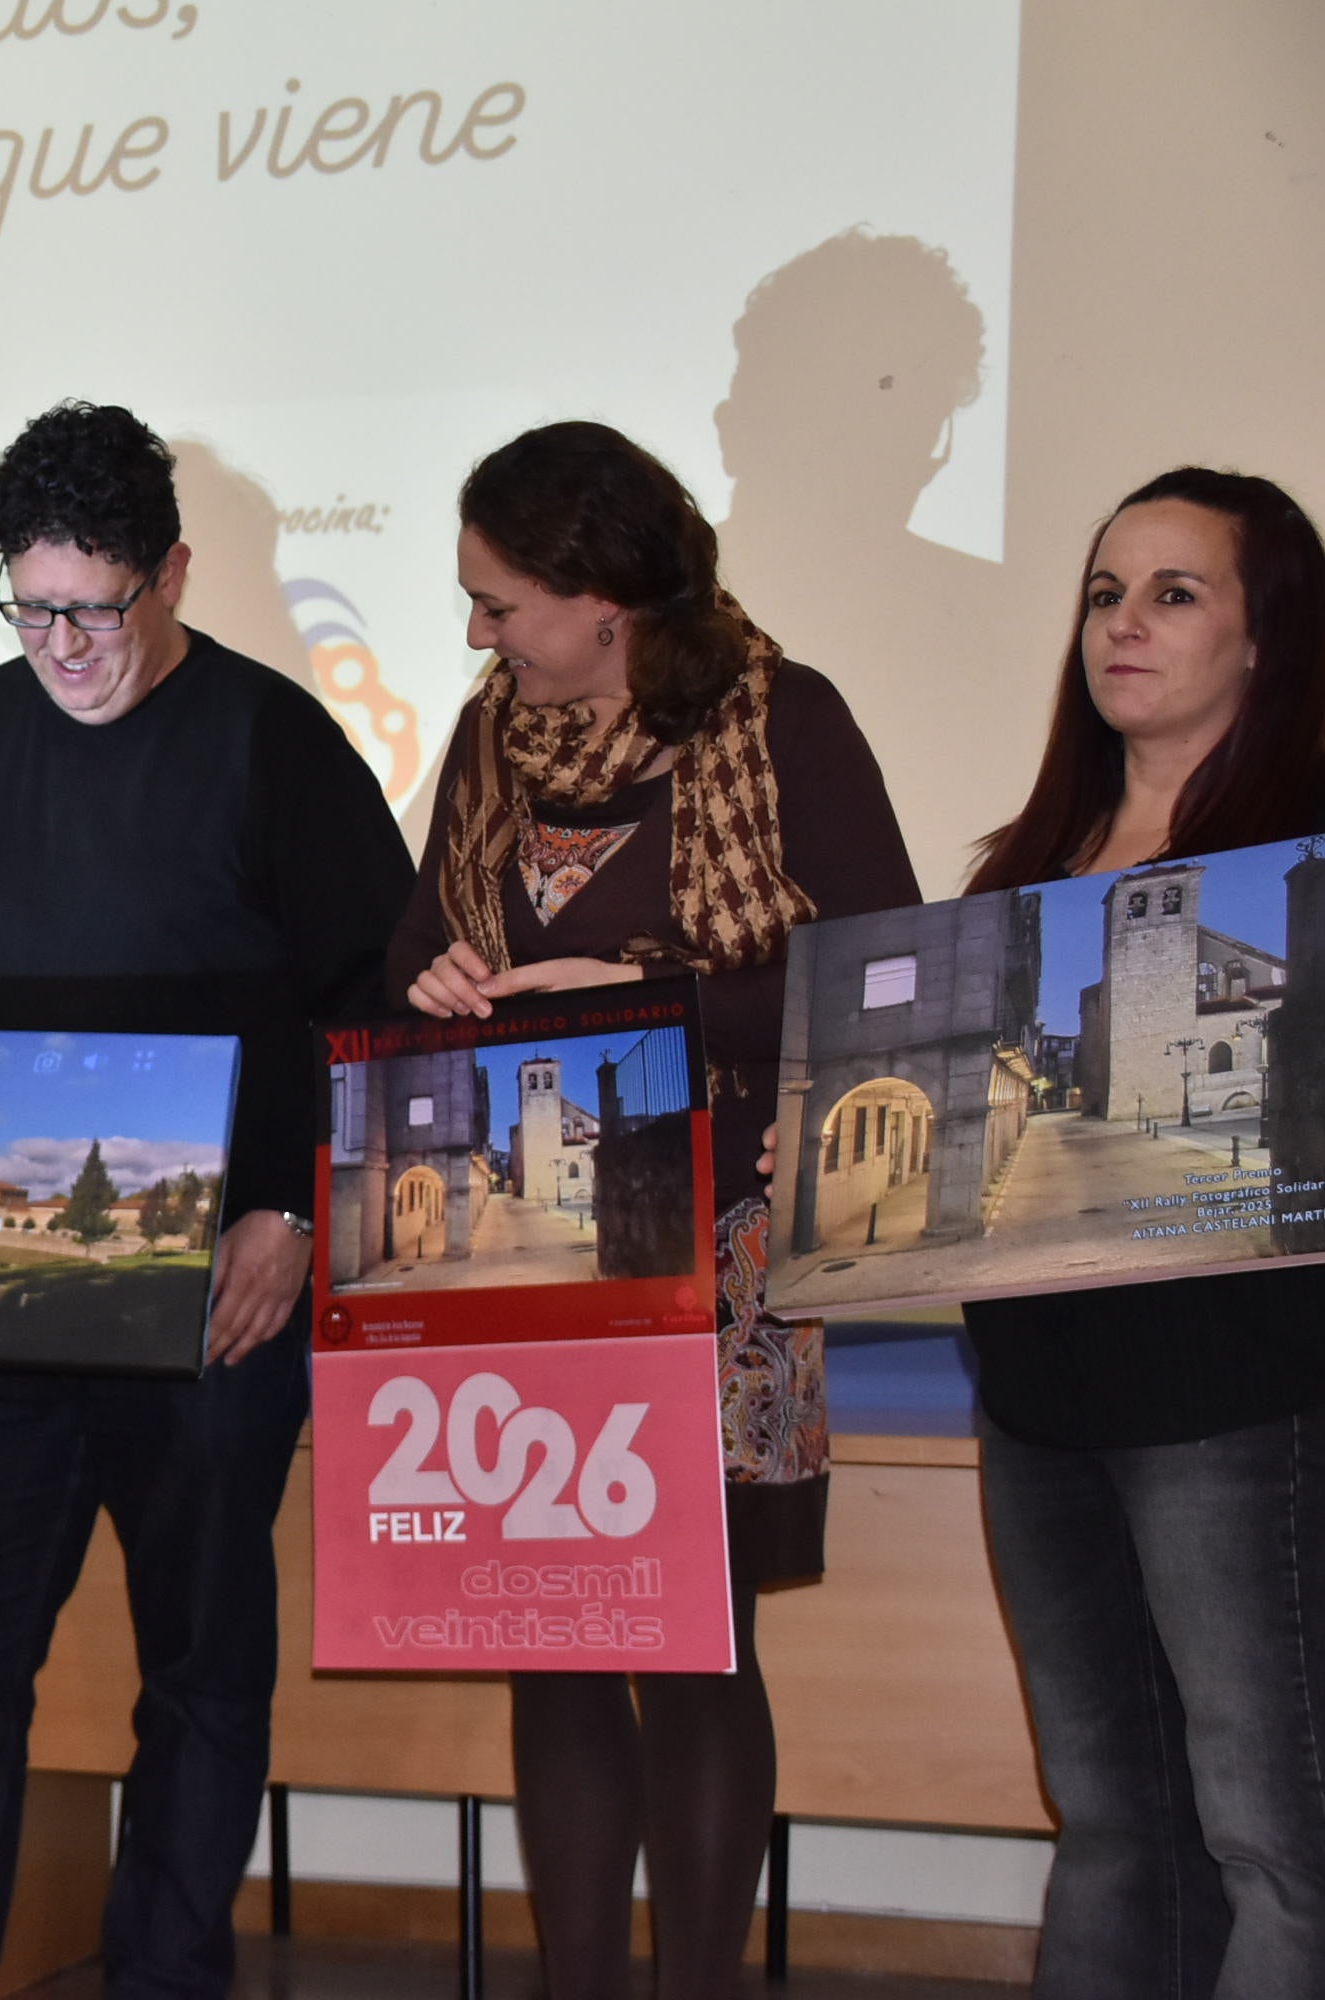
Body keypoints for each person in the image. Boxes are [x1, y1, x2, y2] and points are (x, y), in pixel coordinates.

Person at [0, 401, 411, 2000]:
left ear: (173, 575)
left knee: (202, 1661)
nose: (62, 648)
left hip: (220, 1286)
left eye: (94, 609)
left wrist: (292, 1216)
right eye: (30, 609)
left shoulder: (276, 745)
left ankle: (163, 1971)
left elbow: (370, 1009)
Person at [391, 421, 917, 2000]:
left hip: (716, 1261)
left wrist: (647, 992)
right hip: (519, 1247)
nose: (477, 636)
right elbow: (407, 955)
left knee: (694, 1642)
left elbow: (883, 976)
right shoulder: (490, 745)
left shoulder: (783, 719)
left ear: (603, 599)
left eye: (499, 605)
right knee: (550, 1643)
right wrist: (435, 981)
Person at [959, 468, 1325, 1997]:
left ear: (1266, 636)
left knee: (1278, 1844)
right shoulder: (1019, 876)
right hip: (1039, 1402)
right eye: (1106, 593)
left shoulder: (1302, 872)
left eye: (1176, 594)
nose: (1124, 624)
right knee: (1113, 1827)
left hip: (1235, 1402)